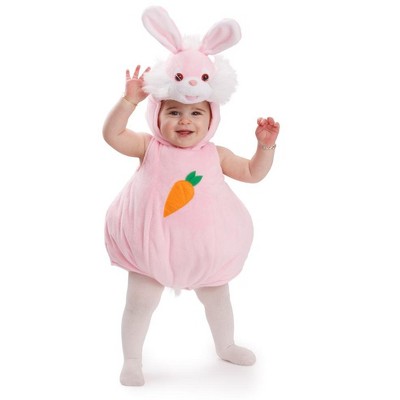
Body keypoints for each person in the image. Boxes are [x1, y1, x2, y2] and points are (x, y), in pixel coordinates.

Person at [103, 65, 280, 386]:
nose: (185, 120)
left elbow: (253, 173)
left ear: (211, 120)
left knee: (218, 300)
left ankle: (225, 345)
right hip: (151, 251)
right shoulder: (148, 147)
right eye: (173, 112)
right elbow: (112, 135)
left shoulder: (215, 155)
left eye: (196, 113)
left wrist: (265, 146)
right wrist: (129, 101)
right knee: (139, 304)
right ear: (157, 117)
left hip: (204, 254)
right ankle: (132, 360)